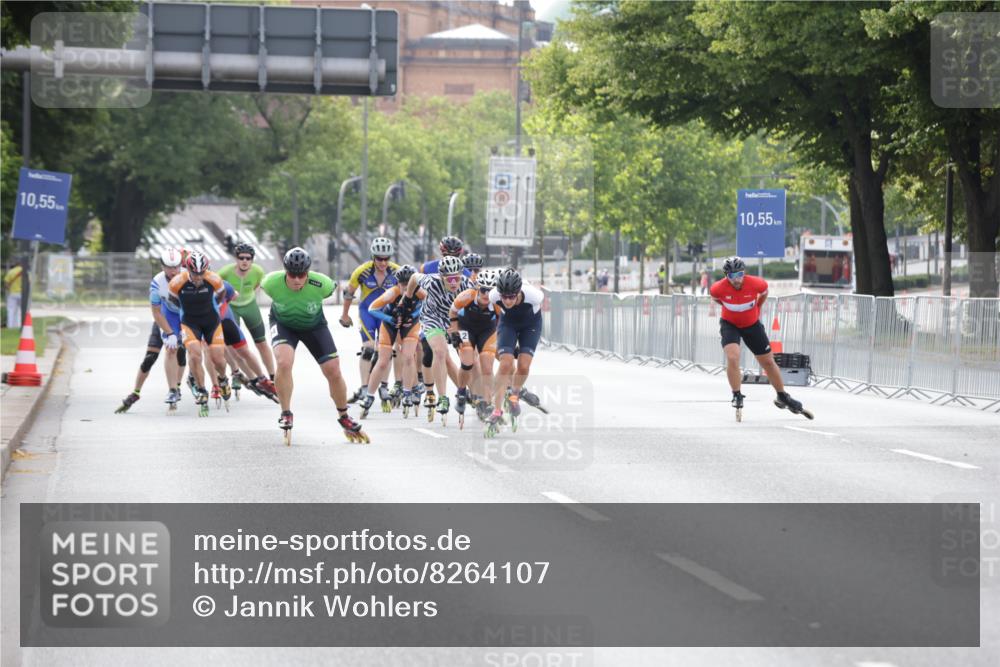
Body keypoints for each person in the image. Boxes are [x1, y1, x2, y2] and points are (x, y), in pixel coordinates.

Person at [262, 247, 368, 443]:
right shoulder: (270, 283)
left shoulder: (322, 283)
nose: (296, 280)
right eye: (292, 274)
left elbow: (338, 289)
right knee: (284, 363)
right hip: (283, 325)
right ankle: (285, 412)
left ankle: (344, 417)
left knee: (333, 370)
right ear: (285, 271)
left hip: (314, 326)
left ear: (308, 272)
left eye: (301, 275)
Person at [709, 256, 807, 415]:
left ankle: (782, 395)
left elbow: (764, 293)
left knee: (768, 361)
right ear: (726, 276)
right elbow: (716, 299)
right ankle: (736, 394)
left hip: (752, 325)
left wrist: (757, 307)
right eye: (732, 276)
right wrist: (731, 309)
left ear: (744, 273)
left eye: (739, 274)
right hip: (730, 324)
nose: (736, 279)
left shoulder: (756, 283)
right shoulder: (717, 288)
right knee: (733, 357)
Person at [400, 255, 471, 422]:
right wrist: (407, 297)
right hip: (432, 318)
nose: (454, 282)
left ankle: (467, 392)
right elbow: (414, 277)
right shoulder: (431, 281)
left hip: (453, 320)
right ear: (441, 277)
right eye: (450, 279)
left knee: (466, 357)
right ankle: (443, 397)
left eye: (457, 278)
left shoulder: (468, 285)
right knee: (440, 352)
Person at [115, 249, 187, 413]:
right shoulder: (157, 283)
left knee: (180, 353)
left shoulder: (187, 277)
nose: (173, 271)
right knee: (150, 357)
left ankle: (175, 388)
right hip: (164, 318)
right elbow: (156, 312)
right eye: (169, 267)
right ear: (162, 267)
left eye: (176, 266)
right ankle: (136, 392)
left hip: (184, 318)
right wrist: (169, 333)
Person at [167, 251, 230, 415]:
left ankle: (223, 379)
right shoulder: (176, 283)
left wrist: (214, 304)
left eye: (202, 273)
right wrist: (184, 309)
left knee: (218, 359)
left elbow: (222, 294)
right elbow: (172, 299)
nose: (198, 277)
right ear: (188, 270)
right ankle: (202, 389)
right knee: (195, 355)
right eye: (195, 273)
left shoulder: (213, 278)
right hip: (190, 322)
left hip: (211, 321)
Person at [340, 237, 400, 404]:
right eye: (379, 258)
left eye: (386, 258)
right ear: (373, 257)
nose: (383, 262)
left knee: (386, 352)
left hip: (387, 314)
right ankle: (365, 387)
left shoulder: (396, 271)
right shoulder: (362, 271)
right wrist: (345, 315)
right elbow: (348, 293)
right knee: (367, 349)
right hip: (367, 313)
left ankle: (383, 386)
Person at [485, 268, 545, 435]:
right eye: (504, 296)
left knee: (523, 366)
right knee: (505, 364)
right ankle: (496, 410)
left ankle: (514, 394)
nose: (507, 300)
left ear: (519, 292)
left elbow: (540, 309)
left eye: (511, 296)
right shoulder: (493, 295)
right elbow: (493, 315)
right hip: (508, 325)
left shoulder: (534, 295)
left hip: (530, 325)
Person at [362, 264, 424, 416]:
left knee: (409, 357)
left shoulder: (421, 292)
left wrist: (414, 315)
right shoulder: (392, 293)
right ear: (397, 283)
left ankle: (408, 391)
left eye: (408, 283)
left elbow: (428, 305)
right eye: (402, 284)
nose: (405, 287)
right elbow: (371, 309)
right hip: (390, 326)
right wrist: (389, 318)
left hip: (410, 325)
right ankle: (369, 396)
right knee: (383, 361)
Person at [447, 268, 501, 424]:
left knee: (487, 365)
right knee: (468, 361)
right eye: (483, 289)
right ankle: (462, 391)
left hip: (487, 331)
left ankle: (486, 402)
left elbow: (502, 323)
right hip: (466, 329)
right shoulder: (466, 296)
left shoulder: (497, 303)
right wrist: (455, 333)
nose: (486, 294)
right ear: (478, 288)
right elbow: (452, 313)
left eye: (490, 291)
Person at [217, 242, 276, 379]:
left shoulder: (258, 271)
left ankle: (272, 376)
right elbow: (215, 286)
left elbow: (256, 286)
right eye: (241, 258)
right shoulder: (225, 272)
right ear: (236, 259)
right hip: (232, 307)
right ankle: (237, 373)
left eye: (248, 258)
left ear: (252, 260)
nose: (244, 261)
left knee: (261, 342)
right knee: (235, 346)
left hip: (250, 306)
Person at [3, 263, 23, 328]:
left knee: (11, 310)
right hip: (22, 294)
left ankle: (10, 326)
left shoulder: (11, 272)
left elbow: (6, 284)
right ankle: (19, 326)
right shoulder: (25, 271)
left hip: (13, 293)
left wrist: (9, 289)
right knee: (20, 311)